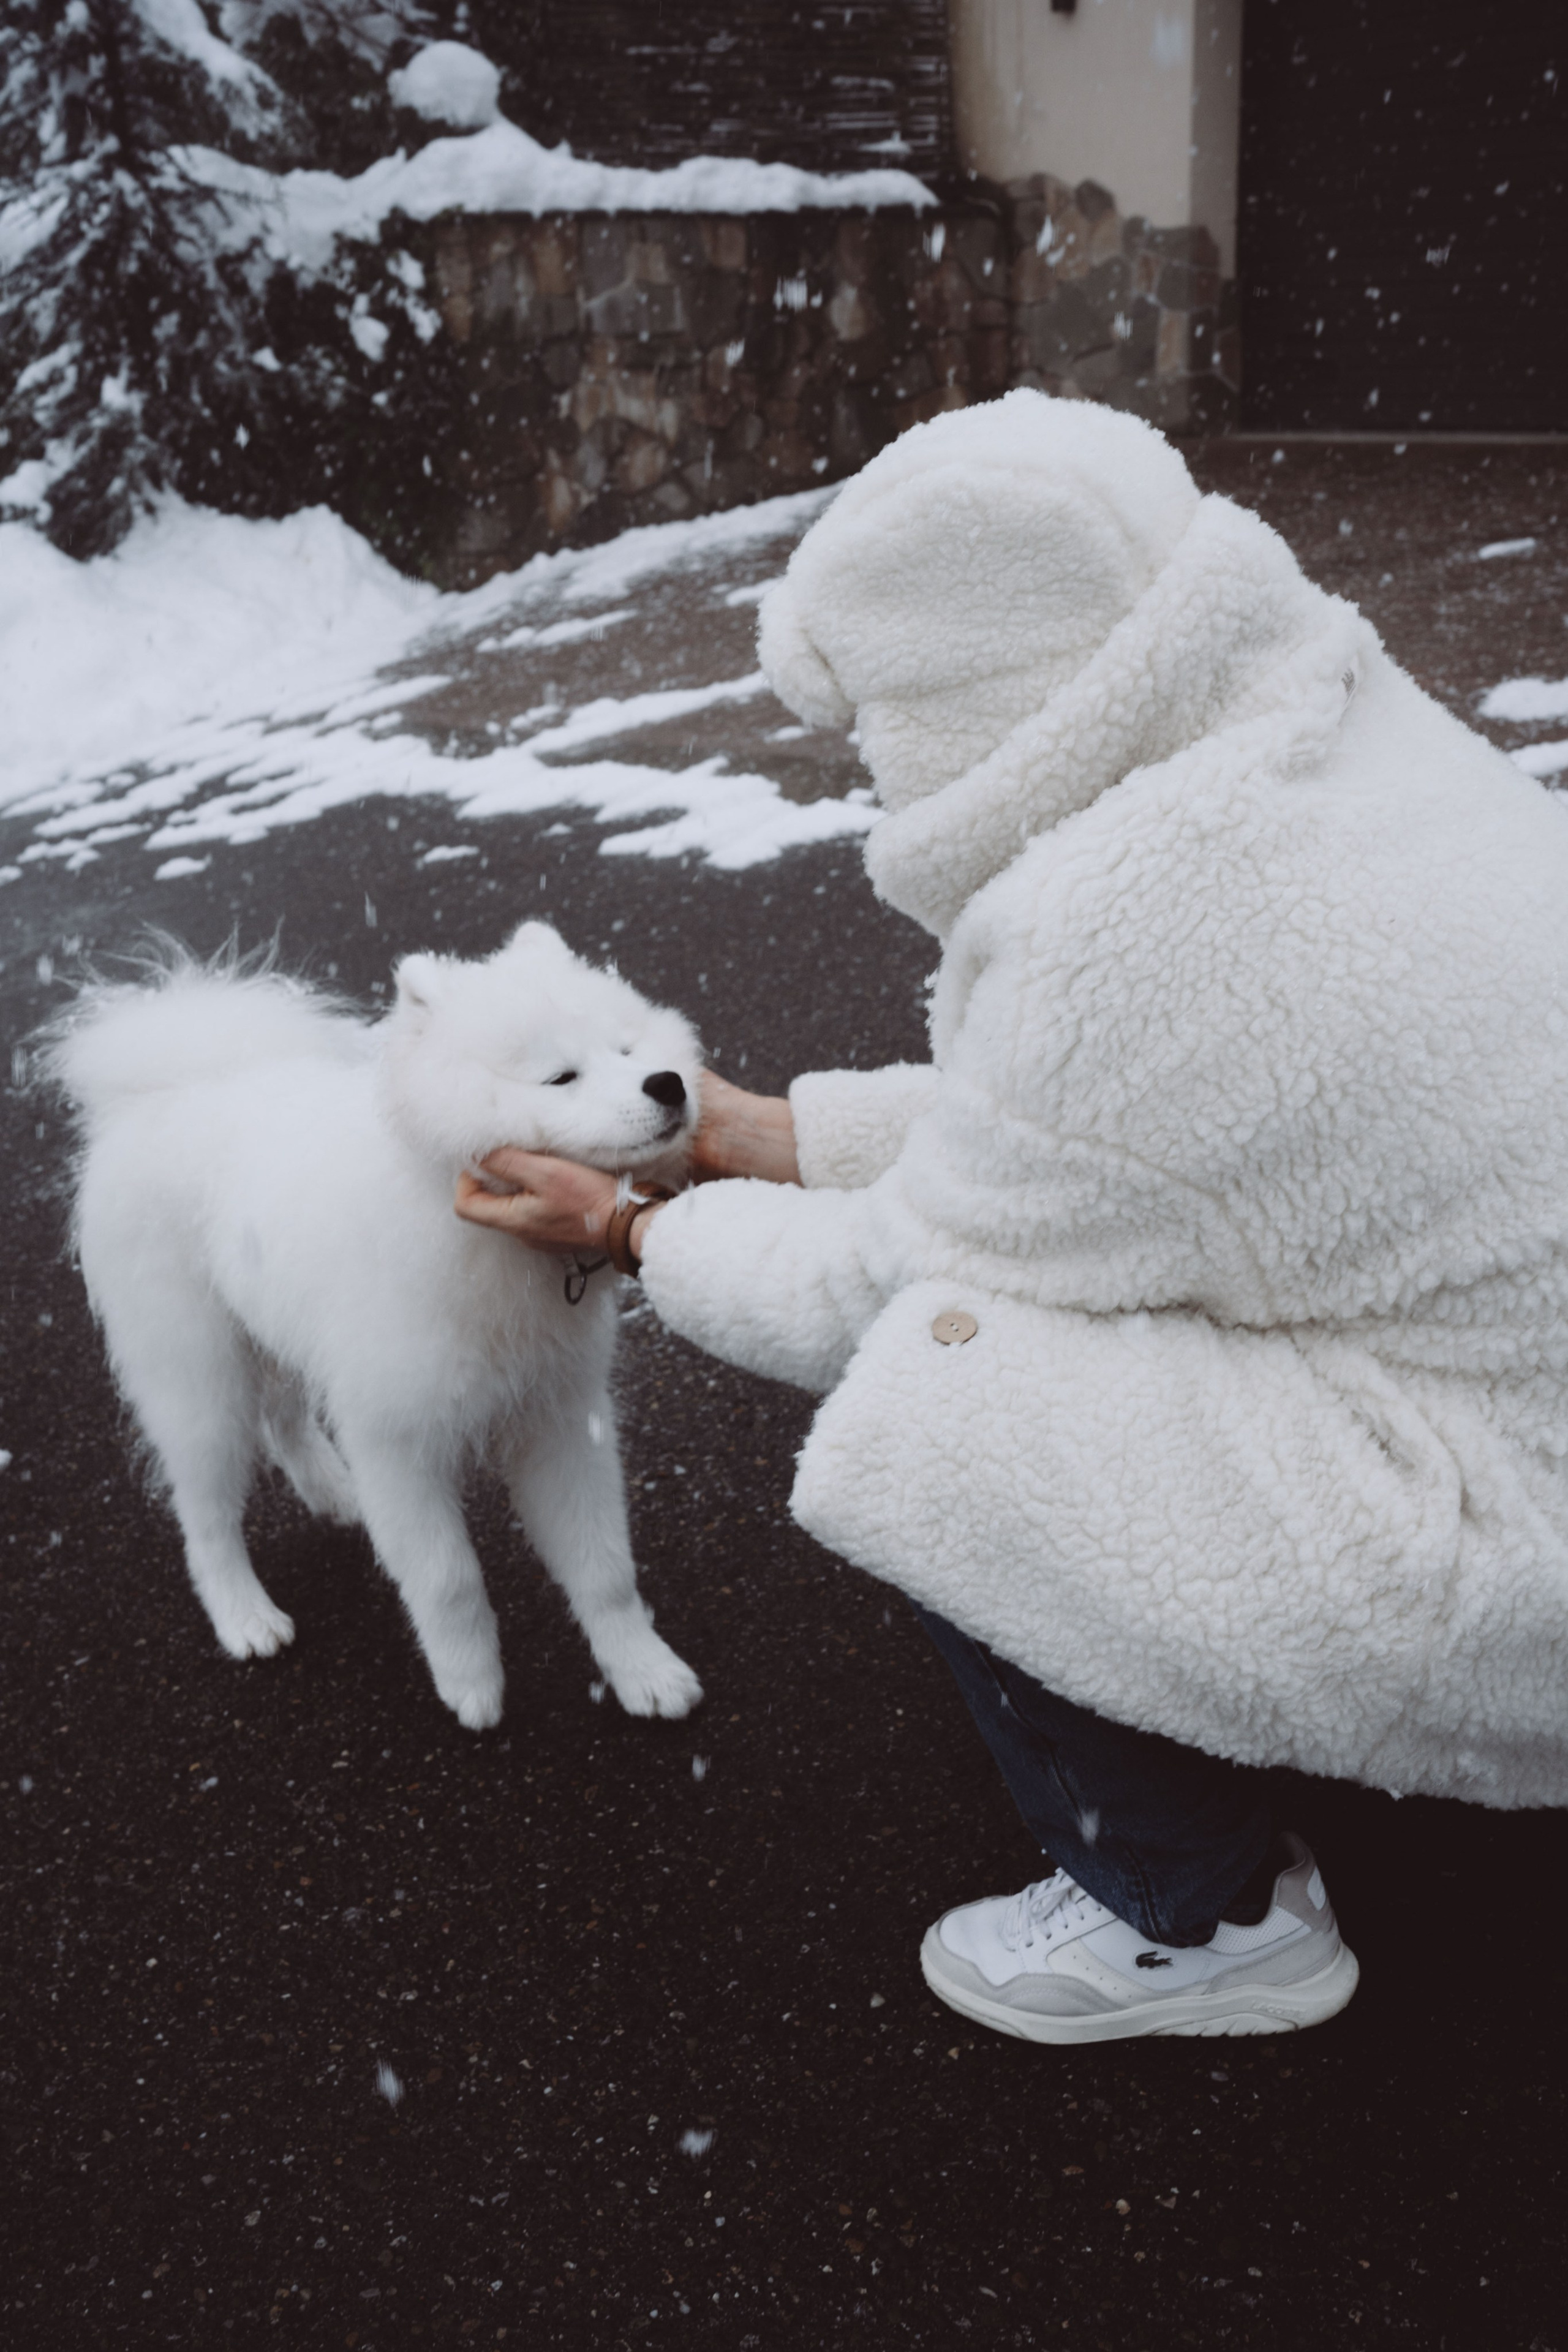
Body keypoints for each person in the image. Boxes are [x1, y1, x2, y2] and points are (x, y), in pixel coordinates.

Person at [456, 391, 1568, 2043]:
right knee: (1064, 1296)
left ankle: (1193, 1916)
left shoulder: (1128, 933)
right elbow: (1117, 1158)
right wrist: (757, 1133)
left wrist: (627, 1231)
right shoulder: (1327, 733)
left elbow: (885, 1285)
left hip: (1526, 1548)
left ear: (963, 697)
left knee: (943, 1389)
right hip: (1517, 1397)